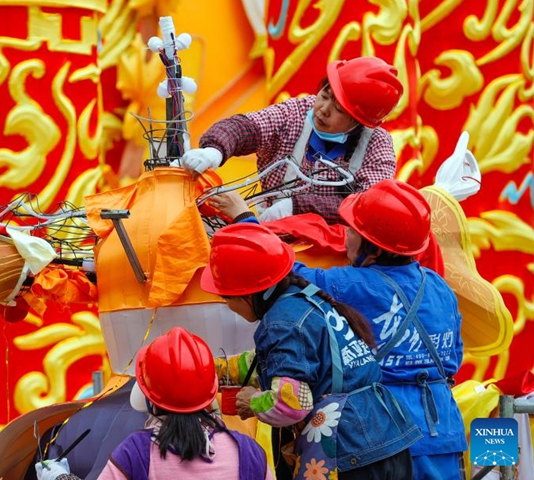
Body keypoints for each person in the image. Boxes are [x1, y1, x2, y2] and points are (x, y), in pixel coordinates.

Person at [216, 179, 468, 479]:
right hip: (445, 431)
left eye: (351, 231)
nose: (344, 237)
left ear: (372, 250)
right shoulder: (438, 285)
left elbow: (281, 273)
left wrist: (246, 219)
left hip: (380, 431)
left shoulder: (350, 285)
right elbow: (455, 356)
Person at [200, 222, 421, 479]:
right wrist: (212, 368)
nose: (228, 307)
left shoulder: (282, 321)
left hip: (352, 452)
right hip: (386, 436)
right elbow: (282, 360)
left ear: (247, 294)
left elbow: (292, 403)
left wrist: (252, 401)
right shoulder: (303, 298)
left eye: (227, 298)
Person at [182, 56, 402, 225]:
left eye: (338, 110)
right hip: (267, 229)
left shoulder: (377, 145)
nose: (323, 110)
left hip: (332, 253)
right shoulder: (297, 112)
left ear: (359, 122)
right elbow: (248, 127)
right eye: (324, 96)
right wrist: (214, 150)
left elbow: (369, 208)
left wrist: (295, 207)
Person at [36, 327, 272, 480]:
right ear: (210, 393)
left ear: (149, 399)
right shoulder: (249, 453)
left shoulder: (136, 452)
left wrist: (60, 477)